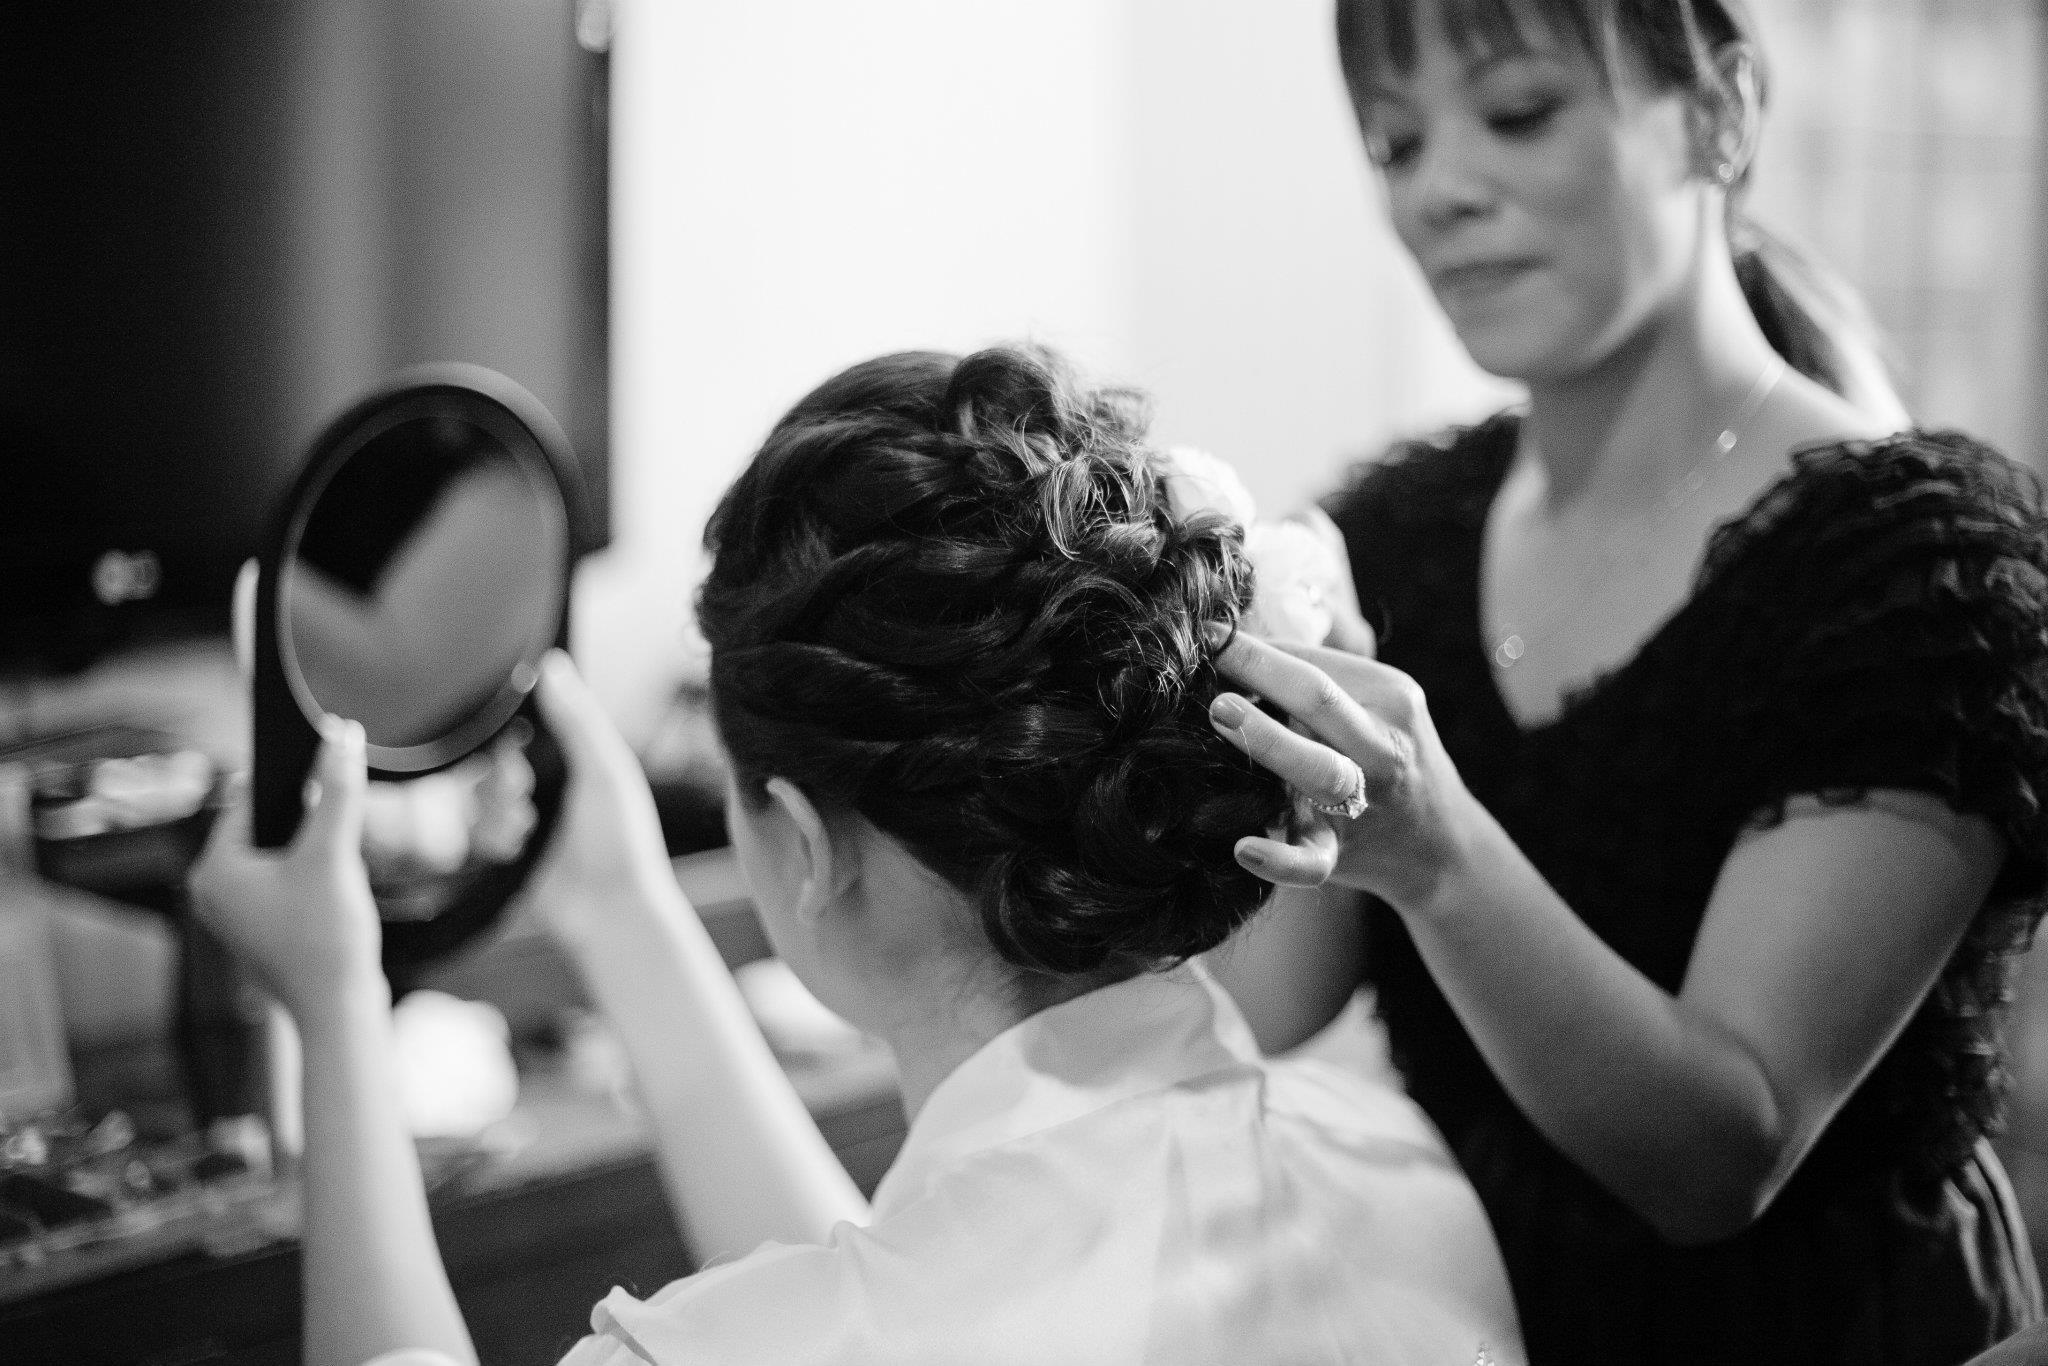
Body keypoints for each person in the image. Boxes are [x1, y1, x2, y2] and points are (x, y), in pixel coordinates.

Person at [190, 345, 1526, 1366]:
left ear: (802, 841)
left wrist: (334, 1002)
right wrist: (623, 908)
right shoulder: (1403, 1181)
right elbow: (888, 1288)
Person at [1200, 0, 2048, 1361]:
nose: (1439, 191)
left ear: (1719, 113)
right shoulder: (1401, 535)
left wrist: (1436, 852)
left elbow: (1724, 1154)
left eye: (1518, 113)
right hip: (1485, 1319)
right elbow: (1268, 1001)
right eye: (1397, 144)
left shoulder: (1918, 566)